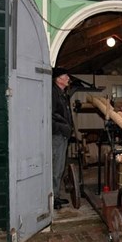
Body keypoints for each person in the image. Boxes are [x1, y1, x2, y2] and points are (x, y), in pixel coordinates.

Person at [52, 67, 73, 209]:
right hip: (57, 135)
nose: (68, 79)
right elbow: (51, 114)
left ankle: (56, 195)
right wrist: (64, 126)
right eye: (66, 76)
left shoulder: (62, 94)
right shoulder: (53, 93)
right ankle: (53, 198)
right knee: (55, 167)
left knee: (59, 167)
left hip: (62, 135)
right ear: (58, 79)